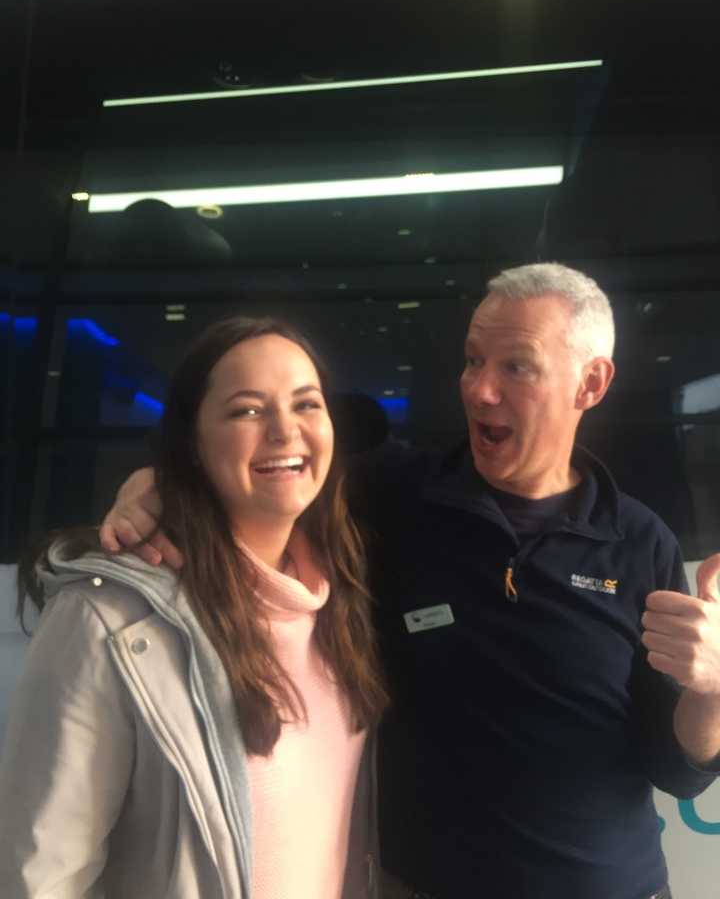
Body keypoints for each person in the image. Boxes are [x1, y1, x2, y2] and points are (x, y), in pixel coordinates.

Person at [100, 263, 720, 899]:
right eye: (473, 361)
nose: (479, 390)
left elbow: (678, 770)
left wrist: (711, 689)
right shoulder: (392, 496)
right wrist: (157, 485)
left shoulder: (639, 542)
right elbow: (265, 471)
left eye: (516, 367)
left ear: (589, 383)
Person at [0, 316, 388, 899]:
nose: (286, 430)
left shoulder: (339, 599)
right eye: (247, 410)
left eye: (306, 404)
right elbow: (42, 874)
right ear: (192, 444)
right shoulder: (110, 620)